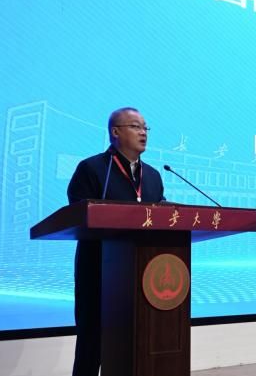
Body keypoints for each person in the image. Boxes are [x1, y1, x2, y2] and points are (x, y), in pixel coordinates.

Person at [67, 107, 165, 376]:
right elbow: (78, 214)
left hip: (142, 273)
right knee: (92, 343)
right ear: (115, 132)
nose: (143, 132)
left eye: (145, 127)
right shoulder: (92, 168)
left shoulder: (153, 175)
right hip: (99, 268)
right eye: (135, 126)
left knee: (137, 342)